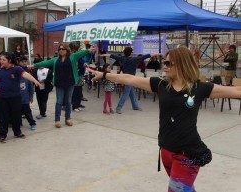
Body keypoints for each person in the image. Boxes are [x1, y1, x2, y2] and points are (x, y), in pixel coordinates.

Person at [88, 46, 241, 191]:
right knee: (184, 189)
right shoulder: (161, 84)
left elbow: (235, 90)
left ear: (181, 64)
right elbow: (130, 79)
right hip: (166, 150)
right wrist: (104, 74)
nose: (164, 66)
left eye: (168, 63)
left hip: (188, 153)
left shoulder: (200, 88)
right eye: (164, 62)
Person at [0, 52, 41, 143]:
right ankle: (2, 135)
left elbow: (25, 74)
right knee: (3, 117)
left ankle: (17, 132)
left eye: (3, 60)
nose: (1, 61)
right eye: (0, 59)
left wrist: (35, 81)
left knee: (16, 116)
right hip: (2, 98)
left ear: (9, 60)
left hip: (15, 97)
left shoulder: (16, 69)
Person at [34, 42, 94, 128]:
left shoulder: (72, 57)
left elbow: (80, 53)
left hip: (70, 83)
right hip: (59, 84)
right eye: (59, 49)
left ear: (67, 50)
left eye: (63, 49)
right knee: (59, 102)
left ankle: (68, 119)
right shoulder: (55, 60)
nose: (61, 51)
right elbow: (46, 63)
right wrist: (34, 65)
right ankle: (57, 120)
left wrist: (88, 50)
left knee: (68, 102)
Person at [101, 47, 154, 114]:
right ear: (130, 53)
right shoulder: (135, 59)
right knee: (126, 94)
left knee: (132, 92)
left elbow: (113, 56)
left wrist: (104, 55)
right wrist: (155, 54)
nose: (132, 53)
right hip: (130, 79)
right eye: (132, 52)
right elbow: (145, 56)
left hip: (126, 78)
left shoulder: (123, 58)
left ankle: (135, 106)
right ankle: (118, 108)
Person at [18, 56, 37, 130]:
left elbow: (30, 86)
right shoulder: (15, 71)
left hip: (25, 97)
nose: (24, 63)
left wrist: (31, 96)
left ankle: (32, 123)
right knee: (17, 112)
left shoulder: (28, 73)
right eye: (22, 61)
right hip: (16, 97)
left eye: (25, 61)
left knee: (27, 112)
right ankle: (19, 123)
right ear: (19, 62)